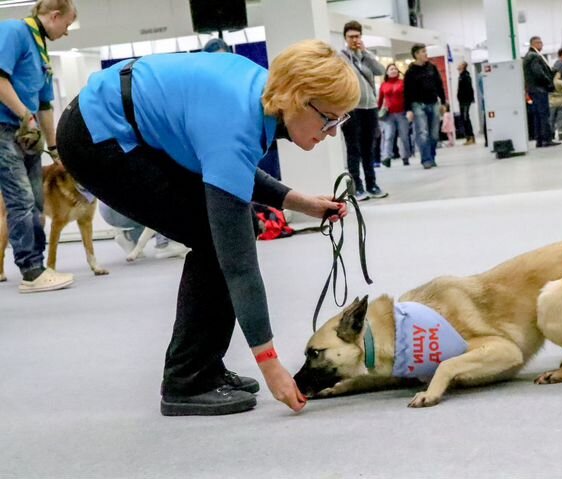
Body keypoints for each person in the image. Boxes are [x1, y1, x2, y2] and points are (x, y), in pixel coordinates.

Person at [56, 40, 359, 416]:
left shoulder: (261, 96)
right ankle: (188, 380)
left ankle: (205, 368)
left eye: (340, 121)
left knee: (231, 227)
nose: (331, 132)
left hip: (122, 120)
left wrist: (303, 203)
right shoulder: (235, 117)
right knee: (216, 239)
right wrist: (272, 367)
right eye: (328, 118)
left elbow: (230, 171)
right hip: (96, 136)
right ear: (296, 98)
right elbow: (240, 265)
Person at [0, 0, 76, 293]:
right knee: (19, 201)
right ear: (55, 16)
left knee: (36, 202)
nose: (67, 32)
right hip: (5, 129)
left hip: (27, 135)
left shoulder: (41, 47)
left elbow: (45, 105)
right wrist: (23, 114)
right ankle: (31, 271)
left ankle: (38, 266)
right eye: (67, 24)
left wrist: (55, 149)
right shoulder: (15, 32)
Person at [339, 20, 387, 201]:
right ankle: (356, 187)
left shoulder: (365, 56)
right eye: (351, 37)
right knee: (354, 148)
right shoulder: (341, 57)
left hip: (370, 107)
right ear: (345, 38)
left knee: (369, 147)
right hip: (352, 108)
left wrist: (365, 52)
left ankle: (372, 184)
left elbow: (379, 70)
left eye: (357, 36)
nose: (354, 40)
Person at [404, 43, 446, 168]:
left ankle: (432, 156)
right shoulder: (410, 72)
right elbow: (407, 92)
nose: (425, 54)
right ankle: (426, 159)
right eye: (423, 51)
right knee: (422, 133)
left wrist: (443, 102)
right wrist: (408, 110)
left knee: (434, 134)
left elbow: (439, 85)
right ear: (416, 54)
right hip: (418, 105)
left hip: (433, 103)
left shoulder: (432, 68)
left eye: (425, 51)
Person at [98, 202, 189, 259]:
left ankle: (128, 237)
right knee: (165, 206)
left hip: (107, 208)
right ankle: (165, 243)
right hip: (123, 206)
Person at [523, 36, 560, 148]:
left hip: (532, 89)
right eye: (540, 43)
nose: (542, 45)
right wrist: (549, 81)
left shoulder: (527, 56)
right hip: (539, 89)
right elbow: (538, 72)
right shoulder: (535, 56)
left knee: (537, 115)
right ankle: (546, 139)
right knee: (544, 114)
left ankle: (539, 139)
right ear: (535, 43)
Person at [377, 63, 411, 166]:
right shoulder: (384, 85)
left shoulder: (403, 83)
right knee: (388, 136)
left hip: (402, 113)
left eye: (395, 69)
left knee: (404, 136)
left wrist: (409, 110)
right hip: (388, 114)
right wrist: (377, 111)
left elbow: (408, 97)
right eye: (391, 69)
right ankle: (386, 157)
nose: (393, 71)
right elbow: (380, 99)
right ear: (387, 72)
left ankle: (405, 157)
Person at [456, 61, 475, 145]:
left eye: (459, 64)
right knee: (463, 118)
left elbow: (469, 89)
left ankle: (471, 137)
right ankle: (468, 137)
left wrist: (469, 99)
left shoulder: (466, 76)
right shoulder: (461, 76)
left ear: (463, 66)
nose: (458, 65)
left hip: (465, 101)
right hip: (462, 101)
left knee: (465, 118)